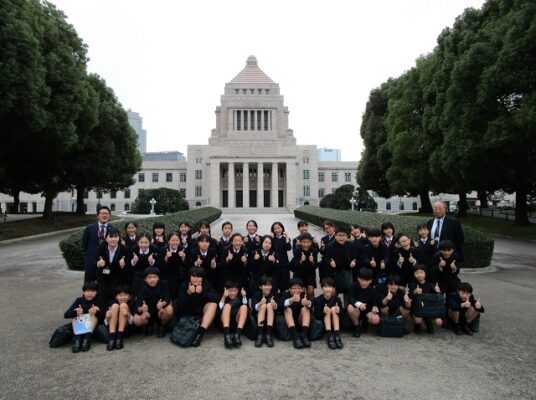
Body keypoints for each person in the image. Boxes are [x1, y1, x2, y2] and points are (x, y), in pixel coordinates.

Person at [175, 267, 218, 347]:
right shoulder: (184, 285)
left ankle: (200, 335)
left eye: (199, 277)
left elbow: (216, 298)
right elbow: (180, 306)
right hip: (186, 315)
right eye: (193, 276)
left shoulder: (206, 285)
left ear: (202, 278)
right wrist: (188, 293)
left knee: (213, 305)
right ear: (190, 277)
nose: (196, 279)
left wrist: (203, 292)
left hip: (201, 316)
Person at [96, 227, 131, 306]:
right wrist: (98, 263)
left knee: (113, 292)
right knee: (102, 293)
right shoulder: (101, 248)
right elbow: (94, 262)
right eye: (111, 237)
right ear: (106, 238)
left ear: (119, 238)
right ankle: (103, 313)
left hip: (117, 276)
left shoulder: (124, 249)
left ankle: (113, 311)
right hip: (103, 275)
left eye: (116, 237)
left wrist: (123, 265)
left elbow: (129, 267)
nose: (113, 239)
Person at [134, 267, 173, 338]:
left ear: (158, 278)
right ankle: (147, 325)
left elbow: (168, 297)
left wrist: (162, 303)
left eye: (155, 277)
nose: (152, 279)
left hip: (160, 311)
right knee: (136, 320)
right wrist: (142, 308)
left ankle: (162, 326)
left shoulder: (163, 284)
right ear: (145, 279)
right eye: (149, 277)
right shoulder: (142, 287)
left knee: (169, 309)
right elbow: (138, 304)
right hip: (148, 312)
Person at [63, 281, 100, 353]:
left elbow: (103, 315)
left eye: (93, 291)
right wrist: (76, 312)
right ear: (83, 292)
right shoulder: (79, 300)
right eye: (87, 291)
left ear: (96, 292)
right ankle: (77, 341)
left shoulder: (98, 300)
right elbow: (66, 315)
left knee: (95, 310)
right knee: (76, 312)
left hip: (93, 326)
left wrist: (96, 312)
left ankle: (86, 341)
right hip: (80, 326)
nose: (90, 293)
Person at [408, 264, 443, 334]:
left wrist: (438, 291)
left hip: (429, 308)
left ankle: (429, 323)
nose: (419, 275)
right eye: (417, 273)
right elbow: (409, 296)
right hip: (417, 308)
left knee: (439, 322)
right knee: (418, 320)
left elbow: (437, 298)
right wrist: (414, 292)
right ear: (414, 274)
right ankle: (417, 325)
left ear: (425, 273)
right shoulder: (412, 284)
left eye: (421, 272)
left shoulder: (430, 285)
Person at [280, 278, 312, 349]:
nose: (297, 290)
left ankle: (304, 336)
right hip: (289, 323)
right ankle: (295, 337)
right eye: (294, 288)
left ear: (303, 289)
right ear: (289, 289)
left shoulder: (303, 295)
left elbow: (311, 305)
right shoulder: (286, 295)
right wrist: (291, 300)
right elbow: (280, 305)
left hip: (300, 321)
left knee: (305, 309)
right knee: (287, 309)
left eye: (299, 288)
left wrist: (307, 303)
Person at [82, 206, 111, 282]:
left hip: (107, 261)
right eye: (102, 213)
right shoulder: (89, 228)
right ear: (97, 216)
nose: (104, 215)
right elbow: (85, 243)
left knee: (105, 282)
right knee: (89, 282)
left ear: (109, 216)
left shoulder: (113, 229)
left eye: (106, 214)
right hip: (91, 260)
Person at [323, 227, 353, 299]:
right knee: (333, 296)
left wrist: (353, 262)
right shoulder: (329, 246)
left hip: (347, 274)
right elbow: (326, 259)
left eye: (343, 235)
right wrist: (330, 262)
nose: (341, 237)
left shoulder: (351, 245)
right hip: (334, 274)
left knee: (347, 296)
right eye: (339, 235)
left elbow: (355, 257)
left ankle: (346, 309)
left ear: (347, 236)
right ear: (335, 235)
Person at [314, 277, 343, 350]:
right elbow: (316, 315)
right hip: (324, 325)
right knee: (327, 310)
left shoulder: (337, 299)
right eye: (325, 286)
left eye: (330, 287)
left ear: (333, 288)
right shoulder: (318, 299)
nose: (327, 289)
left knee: (333, 309)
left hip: (335, 324)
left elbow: (342, 315)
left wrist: (338, 310)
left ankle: (337, 335)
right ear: (322, 288)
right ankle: (329, 336)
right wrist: (323, 311)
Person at [347, 268, 377, 337]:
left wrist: (375, 308)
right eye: (362, 280)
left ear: (371, 280)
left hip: (367, 312)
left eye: (367, 280)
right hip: (356, 310)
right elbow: (350, 298)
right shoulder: (353, 286)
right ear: (358, 278)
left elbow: (375, 302)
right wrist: (359, 304)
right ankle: (357, 326)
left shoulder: (373, 290)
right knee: (350, 307)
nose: (364, 283)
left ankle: (365, 322)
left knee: (376, 320)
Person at [104, 285, 135, 351]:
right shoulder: (111, 303)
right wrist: (107, 317)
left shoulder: (132, 303)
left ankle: (119, 338)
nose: (123, 297)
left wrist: (128, 314)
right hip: (113, 331)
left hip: (126, 330)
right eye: (120, 295)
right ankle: (112, 339)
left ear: (129, 296)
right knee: (115, 306)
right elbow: (105, 323)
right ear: (116, 297)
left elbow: (134, 322)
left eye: (125, 295)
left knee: (123, 305)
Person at [157, 231, 187, 300]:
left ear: (180, 241)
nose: (175, 242)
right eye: (172, 240)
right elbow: (159, 265)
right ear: (168, 241)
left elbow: (186, 265)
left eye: (177, 240)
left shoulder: (182, 249)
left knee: (176, 293)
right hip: (165, 275)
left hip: (178, 275)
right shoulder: (163, 249)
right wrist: (166, 257)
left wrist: (183, 258)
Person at [219, 281, 249, 348]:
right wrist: (223, 297)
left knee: (244, 307)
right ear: (226, 290)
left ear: (238, 290)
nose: (232, 293)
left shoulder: (240, 298)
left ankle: (237, 335)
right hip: (225, 325)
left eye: (235, 291)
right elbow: (219, 308)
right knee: (227, 306)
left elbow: (247, 308)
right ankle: (227, 336)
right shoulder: (223, 296)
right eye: (230, 291)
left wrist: (244, 296)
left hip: (237, 324)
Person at [250, 276, 278, 347]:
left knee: (269, 305)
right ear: (260, 286)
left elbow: (279, 307)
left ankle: (269, 335)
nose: (267, 287)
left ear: (271, 286)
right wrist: (260, 303)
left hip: (271, 321)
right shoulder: (256, 294)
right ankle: (260, 335)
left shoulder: (275, 294)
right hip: (259, 320)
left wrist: (274, 305)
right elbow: (253, 307)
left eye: (269, 285)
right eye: (265, 285)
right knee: (263, 306)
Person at [290, 232, 318, 301]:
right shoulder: (296, 251)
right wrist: (301, 261)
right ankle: (300, 306)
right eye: (303, 242)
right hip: (299, 272)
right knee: (300, 291)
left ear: (311, 242)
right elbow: (295, 265)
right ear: (300, 242)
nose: (306, 244)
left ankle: (311, 307)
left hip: (310, 272)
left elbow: (315, 266)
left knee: (310, 290)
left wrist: (312, 261)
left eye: (308, 242)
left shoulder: (314, 251)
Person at [271, 222, 292, 293]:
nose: (277, 230)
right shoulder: (272, 239)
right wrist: (270, 238)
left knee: (284, 286)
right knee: (275, 285)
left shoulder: (285, 238)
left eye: (279, 228)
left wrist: (286, 237)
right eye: (275, 229)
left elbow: (288, 248)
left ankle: (283, 302)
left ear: (282, 229)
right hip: (274, 265)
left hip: (284, 265)